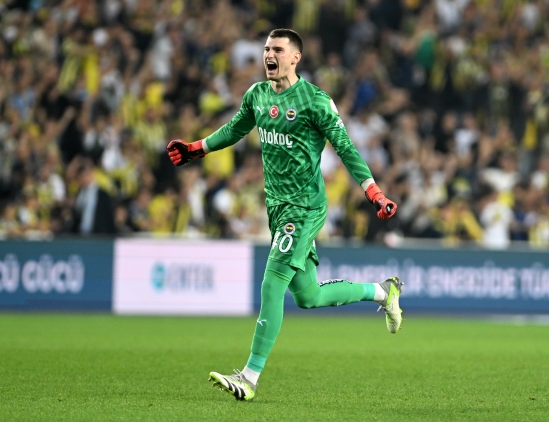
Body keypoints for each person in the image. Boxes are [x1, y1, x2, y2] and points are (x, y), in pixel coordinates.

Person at [166, 29, 401, 402]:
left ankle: (249, 377)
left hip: (304, 208)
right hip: (277, 208)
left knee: (272, 282)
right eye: (266, 49)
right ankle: (382, 292)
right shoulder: (257, 95)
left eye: (277, 49)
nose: (269, 55)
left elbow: (346, 148)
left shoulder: (316, 101)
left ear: (295, 58)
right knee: (308, 296)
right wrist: (197, 148)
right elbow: (235, 129)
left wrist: (373, 191)